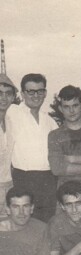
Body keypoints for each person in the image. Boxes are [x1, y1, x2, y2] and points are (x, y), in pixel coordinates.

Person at [8, 73, 58, 222]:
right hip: (23, 179)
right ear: (22, 93)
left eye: (40, 91)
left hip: (48, 180)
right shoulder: (11, 112)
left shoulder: (50, 121)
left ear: (45, 93)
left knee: (46, 224)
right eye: (31, 91)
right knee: (25, 225)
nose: (36, 95)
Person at [0, 74, 17, 219]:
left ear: (13, 97)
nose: (3, 98)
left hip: (8, 185)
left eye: (8, 93)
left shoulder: (11, 121)